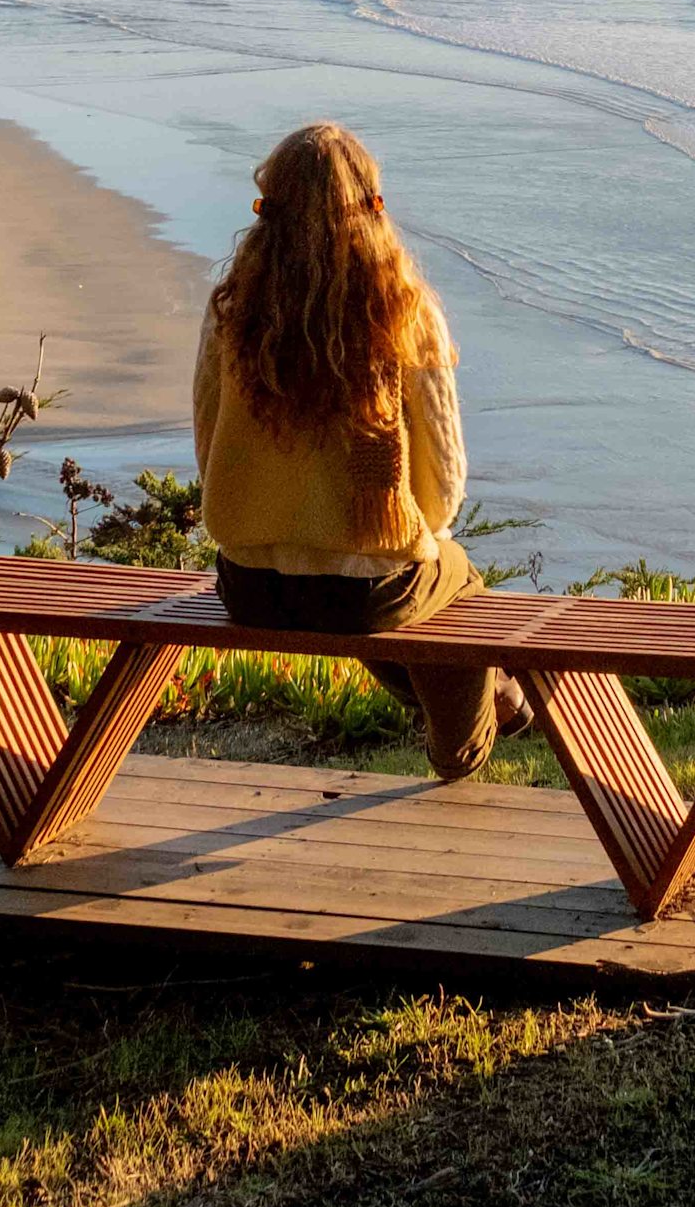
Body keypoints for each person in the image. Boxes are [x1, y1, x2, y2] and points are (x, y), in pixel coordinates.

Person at [193, 121, 526, 778]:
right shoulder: (405, 310)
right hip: (367, 594)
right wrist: (409, 536)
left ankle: (499, 704)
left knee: (394, 581)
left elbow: (211, 444)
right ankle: (471, 736)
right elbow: (443, 477)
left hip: (251, 587)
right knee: (454, 583)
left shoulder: (233, 307)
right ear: (373, 206)